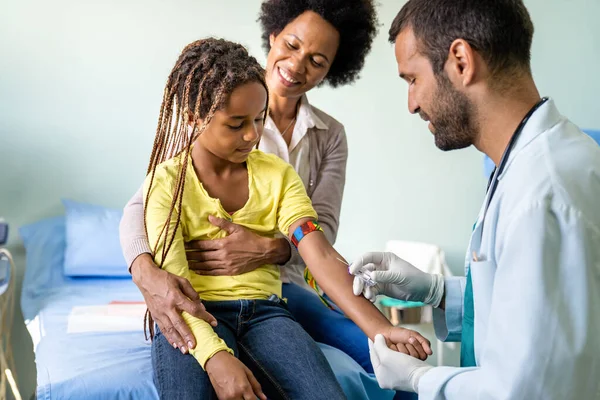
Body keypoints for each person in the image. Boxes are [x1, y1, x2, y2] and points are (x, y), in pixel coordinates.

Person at [143, 38, 431, 399]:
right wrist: (216, 357)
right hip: (194, 316)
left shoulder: (277, 175)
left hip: (265, 313)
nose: (252, 135)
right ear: (193, 118)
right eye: (236, 124)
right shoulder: (166, 184)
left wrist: (380, 330)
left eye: (258, 119)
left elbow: (319, 253)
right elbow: (175, 294)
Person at [120, 0, 387, 377]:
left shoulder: (329, 137)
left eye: (317, 60)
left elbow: (321, 229)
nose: (297, 65)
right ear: (274, 35)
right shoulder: (215, 100)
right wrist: (145, 271)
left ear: (332, 69)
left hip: (286, 284)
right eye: (293, 46)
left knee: (381, 353)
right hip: (211, 288)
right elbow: (145, 204)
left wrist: (269, 249)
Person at [350, 0, 600, 398]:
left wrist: (421, 379)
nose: (411, 104)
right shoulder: (530, 163)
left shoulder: (544, 193)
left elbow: (529, 389)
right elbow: (536, 315)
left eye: (412, 79)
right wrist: (437, 291)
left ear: (462, 62)